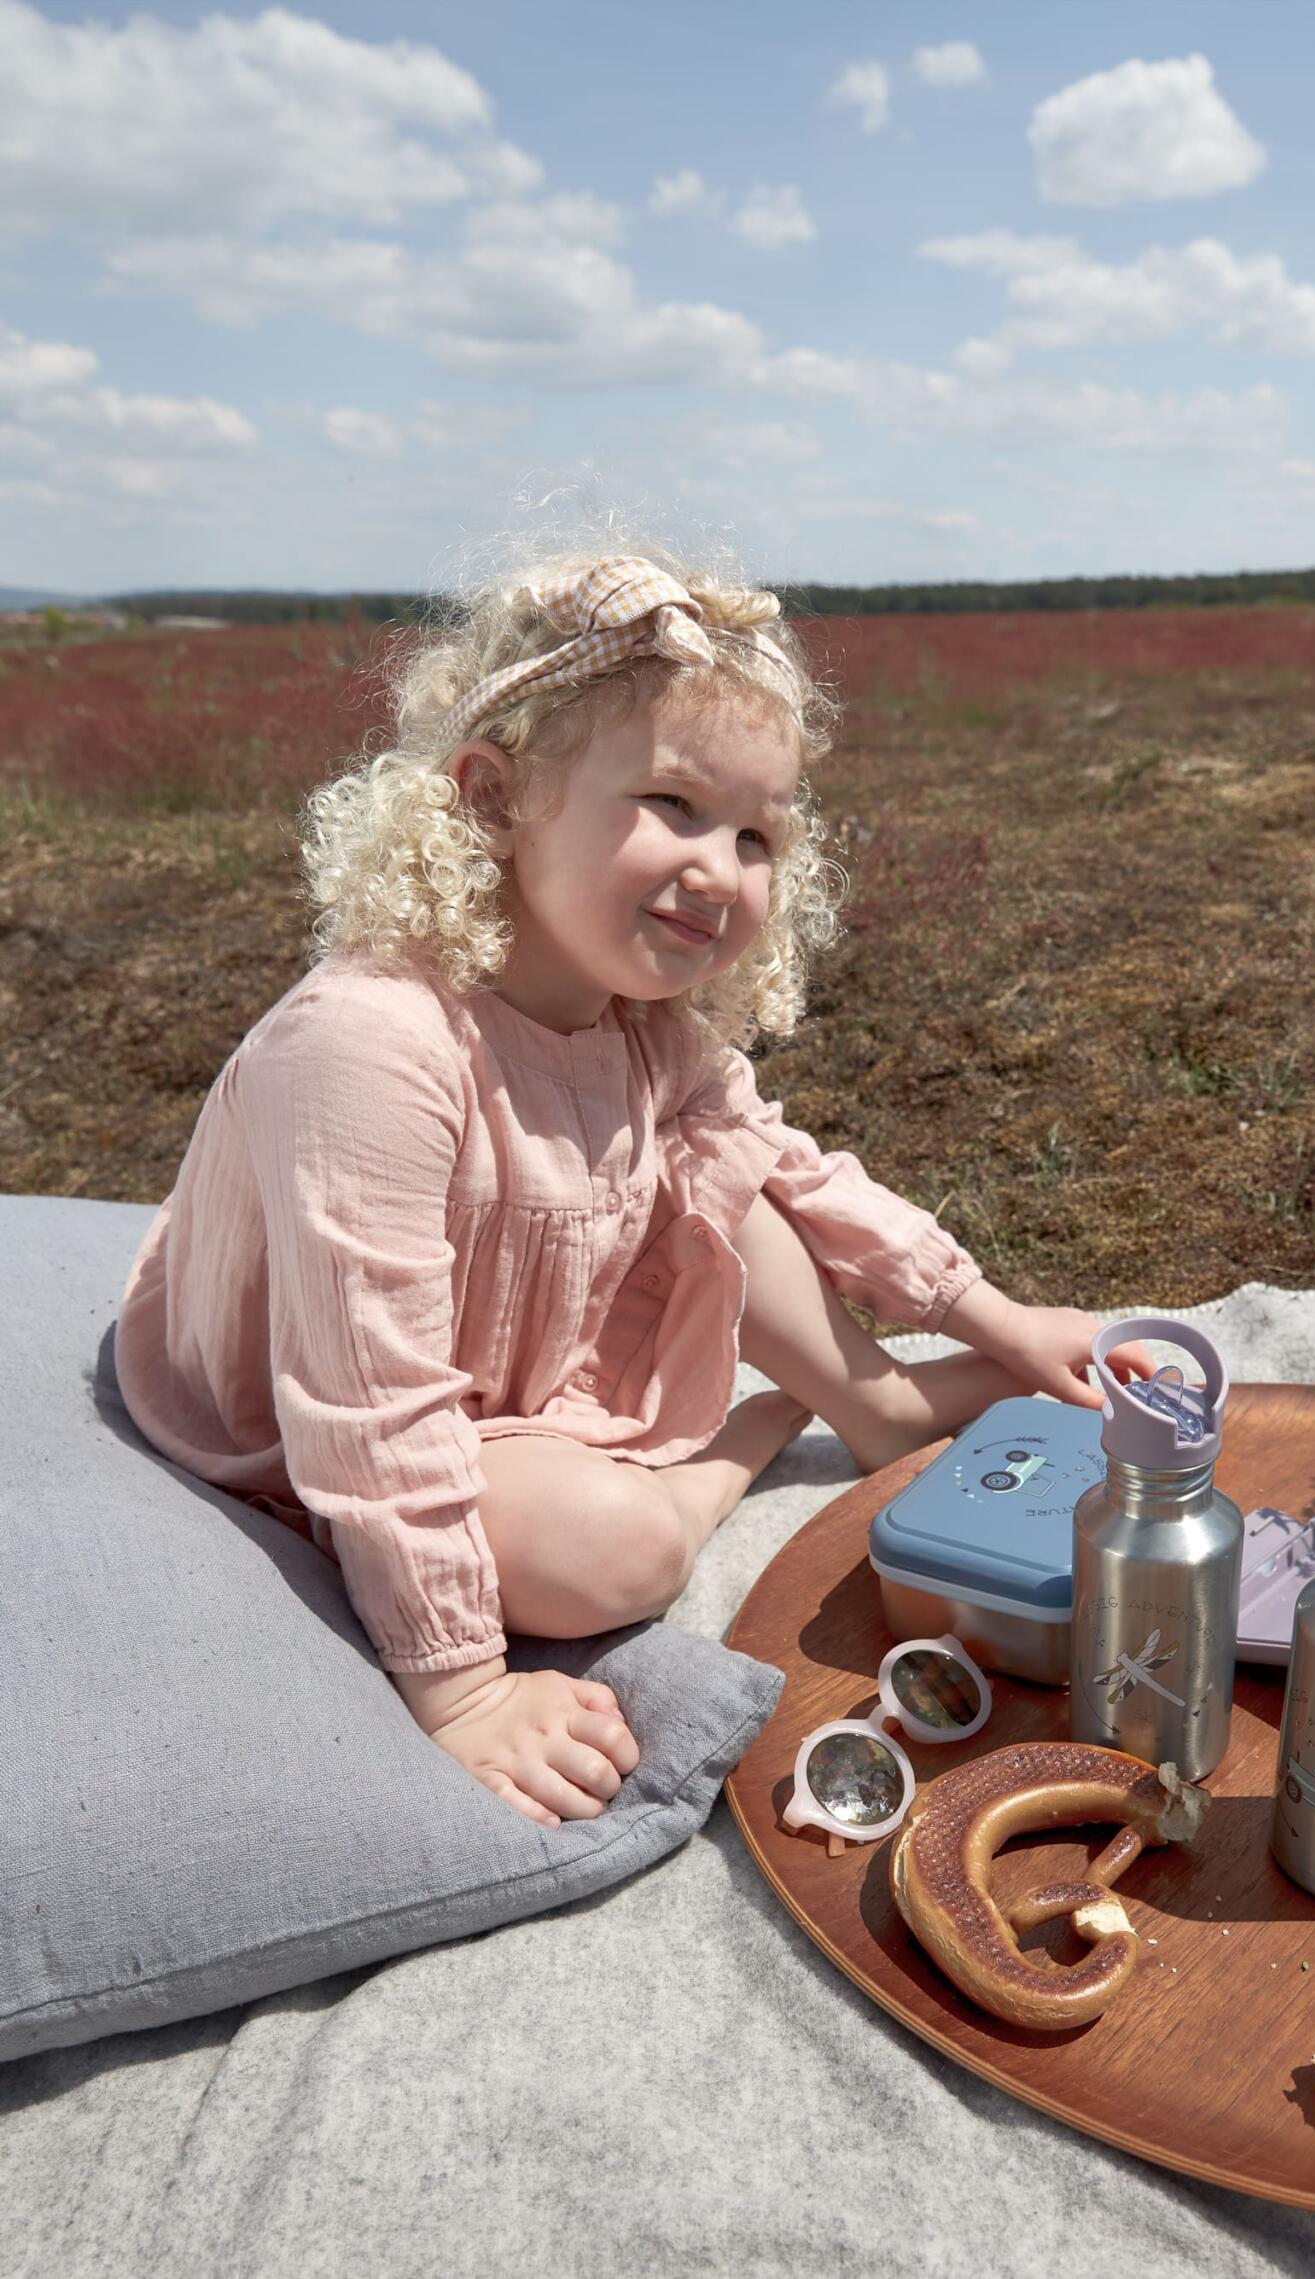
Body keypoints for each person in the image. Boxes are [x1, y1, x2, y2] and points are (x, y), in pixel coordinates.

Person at [115, 545, 1149, 1829]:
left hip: (503, 1358)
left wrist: (996, 1317)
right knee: (622, 1550)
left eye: (757, 834)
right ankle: (727, 1453)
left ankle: (873, 1401)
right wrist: (463, 1691)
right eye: (673, 803)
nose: (721, 867)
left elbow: (793, 1171)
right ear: (493, 797)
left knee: (727, 1164)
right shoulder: (370, 1043)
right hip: (307, 1422)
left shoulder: (640, 1027)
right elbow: (368, 1411)